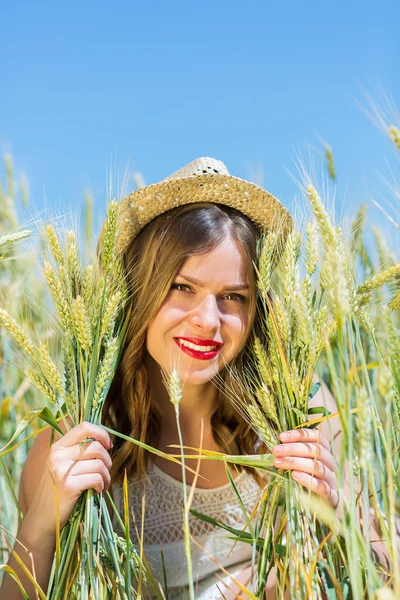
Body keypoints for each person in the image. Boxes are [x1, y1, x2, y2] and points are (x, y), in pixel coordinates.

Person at [0, 157, 391, 599]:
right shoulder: (77, 441)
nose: (209, 320)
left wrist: (334, 511)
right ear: (142, 287)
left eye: (232, 296)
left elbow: (381, 563)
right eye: (182, 287)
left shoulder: (297, 410)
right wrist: (39, 528)